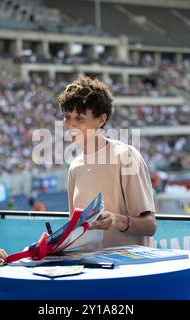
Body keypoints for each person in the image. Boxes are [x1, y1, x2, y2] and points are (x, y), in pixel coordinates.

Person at [58, 76, 157, 248]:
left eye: (79, 118)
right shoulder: (75, 167)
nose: (70, 124)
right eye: (67, 117)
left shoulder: (125, 156)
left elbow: (150, 225)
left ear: (101, 120)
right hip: (87, 270)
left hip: (127, 270)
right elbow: (75, 231)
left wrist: (116, 220)